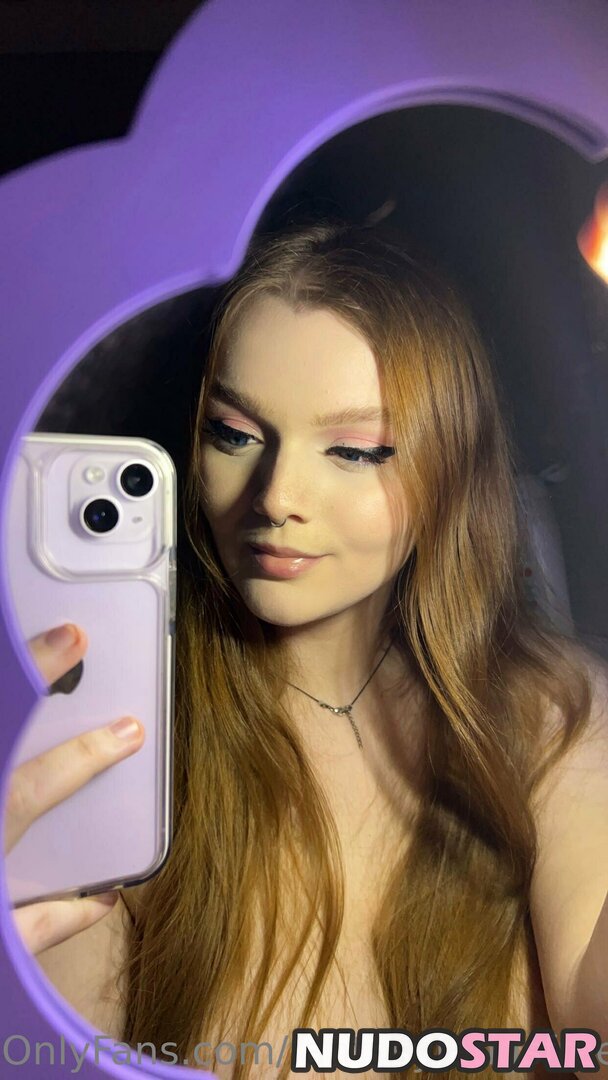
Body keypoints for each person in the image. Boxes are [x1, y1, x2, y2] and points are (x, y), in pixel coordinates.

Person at [4, 221, 608, 1080]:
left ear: (452, 465)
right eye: (234, 434)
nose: (276, 496)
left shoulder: (550, 713)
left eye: (353, 451)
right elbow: (52, 1057)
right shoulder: (123, 734)